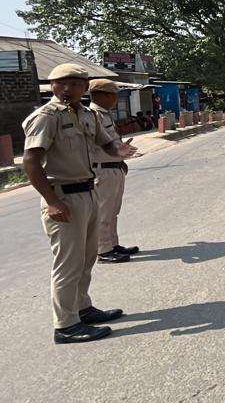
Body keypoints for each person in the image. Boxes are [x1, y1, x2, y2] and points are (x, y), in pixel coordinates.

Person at [22, 64, 139, 344]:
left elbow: (105, 142)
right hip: (63, 197)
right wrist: (51, 200)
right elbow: (31, 161)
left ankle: (82, 309)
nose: (68, 88)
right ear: (52, 85)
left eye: (75, 83)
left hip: (89, 192)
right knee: (68, 263)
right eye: (62, 83)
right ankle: (65, 325)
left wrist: (118, 150)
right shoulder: (45, 117)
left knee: (86, 258)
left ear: (85, 87)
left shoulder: (86, 114)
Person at [88, 79, 139, 265]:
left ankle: (113, 245)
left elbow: (112, 141)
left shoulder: (105, 114)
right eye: (113, 95)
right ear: (102, 95)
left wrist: (121, 160)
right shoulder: (93, 115)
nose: (116, 99)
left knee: (112, 211)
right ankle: (103, 250)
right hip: (102, 170)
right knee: (103, 212)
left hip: (113, 167)